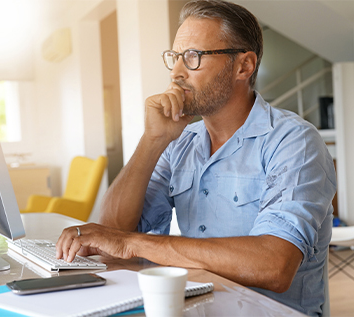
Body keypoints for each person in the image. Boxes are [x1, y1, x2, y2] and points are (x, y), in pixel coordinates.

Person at [56, 1, 336, 315]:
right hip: (198, 308)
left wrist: (133, 243)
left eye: (193, 57)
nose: (176, 73)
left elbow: (274, 264)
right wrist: (153, 141)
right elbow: (111, 231)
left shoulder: (294, 142)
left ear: (244, 66)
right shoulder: (180, 142)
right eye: (175, 57)